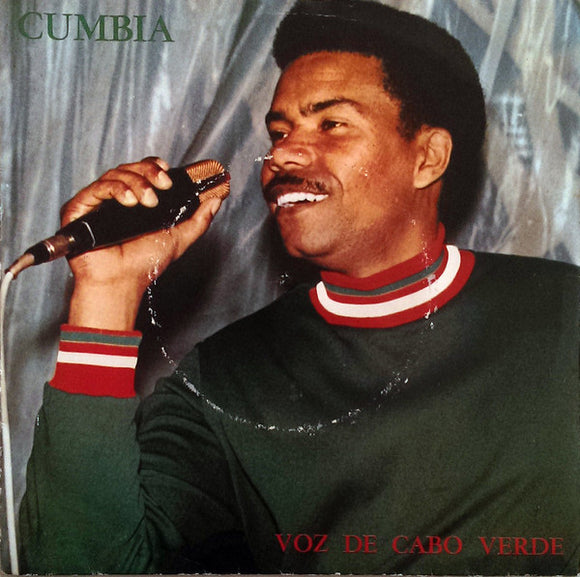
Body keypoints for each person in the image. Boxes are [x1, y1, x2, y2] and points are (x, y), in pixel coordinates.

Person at [19, 0, 579, 575]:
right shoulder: (226, 379)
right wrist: (107, 293)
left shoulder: (564, 314)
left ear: (428, 158)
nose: (280, 153)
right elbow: (80, 565)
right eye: (279, 131)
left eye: (331, 124)